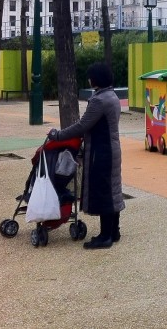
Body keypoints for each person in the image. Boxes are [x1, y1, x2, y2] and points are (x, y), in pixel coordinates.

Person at [48, 62, 123, 249]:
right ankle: (114, 231)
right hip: (112, 149)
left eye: (90, 76)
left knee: (103, 191)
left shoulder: (99, 100)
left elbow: (82, 126)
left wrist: (57, 135)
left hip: (101, 151)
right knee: (112, 189)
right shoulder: (112, 96)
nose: (88, 79)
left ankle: (105, 236)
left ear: (95, 78)